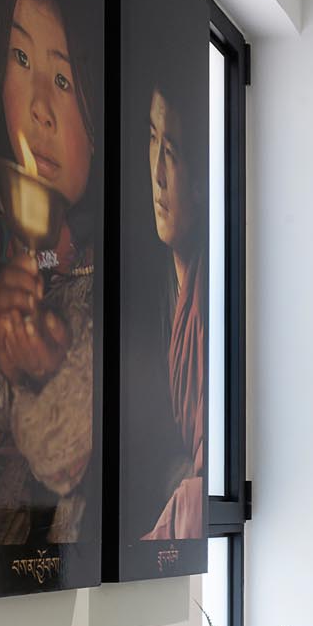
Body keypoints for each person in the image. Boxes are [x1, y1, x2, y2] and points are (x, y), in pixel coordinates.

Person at [0, 0, 98, 552]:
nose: (41, 108)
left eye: (64, 80)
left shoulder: (97, 286)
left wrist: (42, 367)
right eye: (20, 59)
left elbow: (68, 460)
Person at [139, 54, 205, 542]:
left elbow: (202, 477)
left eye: (175, 153)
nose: (158, 174)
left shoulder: (206, 311)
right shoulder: (154, 288)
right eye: (152, 140)